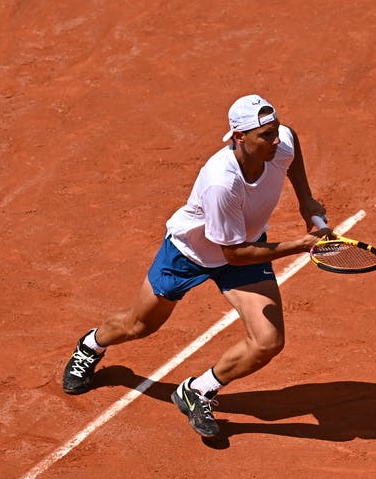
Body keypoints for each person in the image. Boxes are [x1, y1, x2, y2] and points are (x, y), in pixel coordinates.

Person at [60, 94, 329, 438]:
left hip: (243, 248)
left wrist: (306, 201)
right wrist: (300, 245)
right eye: (266, 135)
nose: (276, 140)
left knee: (268, 341)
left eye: (275, 131)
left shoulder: (280, 144)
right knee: (139, 326)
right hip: (191, 253)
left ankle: (197, 390)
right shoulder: (221, 182)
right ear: (239, 137)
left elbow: (291, 148)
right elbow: (235, 254)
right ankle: (91, 345)